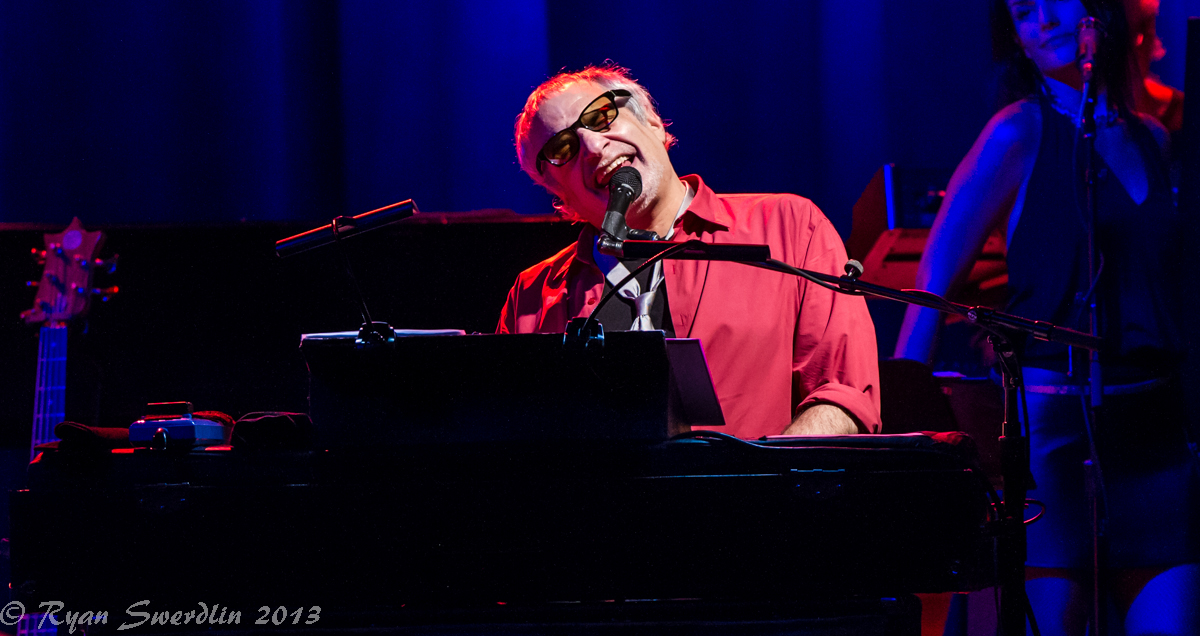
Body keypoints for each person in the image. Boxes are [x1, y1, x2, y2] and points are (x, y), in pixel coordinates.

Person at [894, 1, 1200, 634]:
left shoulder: (1154, 136)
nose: (1043, 20)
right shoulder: (1017, 130)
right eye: (1021, 12)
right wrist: (903, 432)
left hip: (1153, 433)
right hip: (1055, 434)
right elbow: (934, 282)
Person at [496, 65, 880, 439]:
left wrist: (763, 475)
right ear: (557, 192)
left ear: (653, 123)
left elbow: (843, 394)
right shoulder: (532, 295)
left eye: (601, 116)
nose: (594, 147)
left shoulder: (789, 226)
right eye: (563, 147)